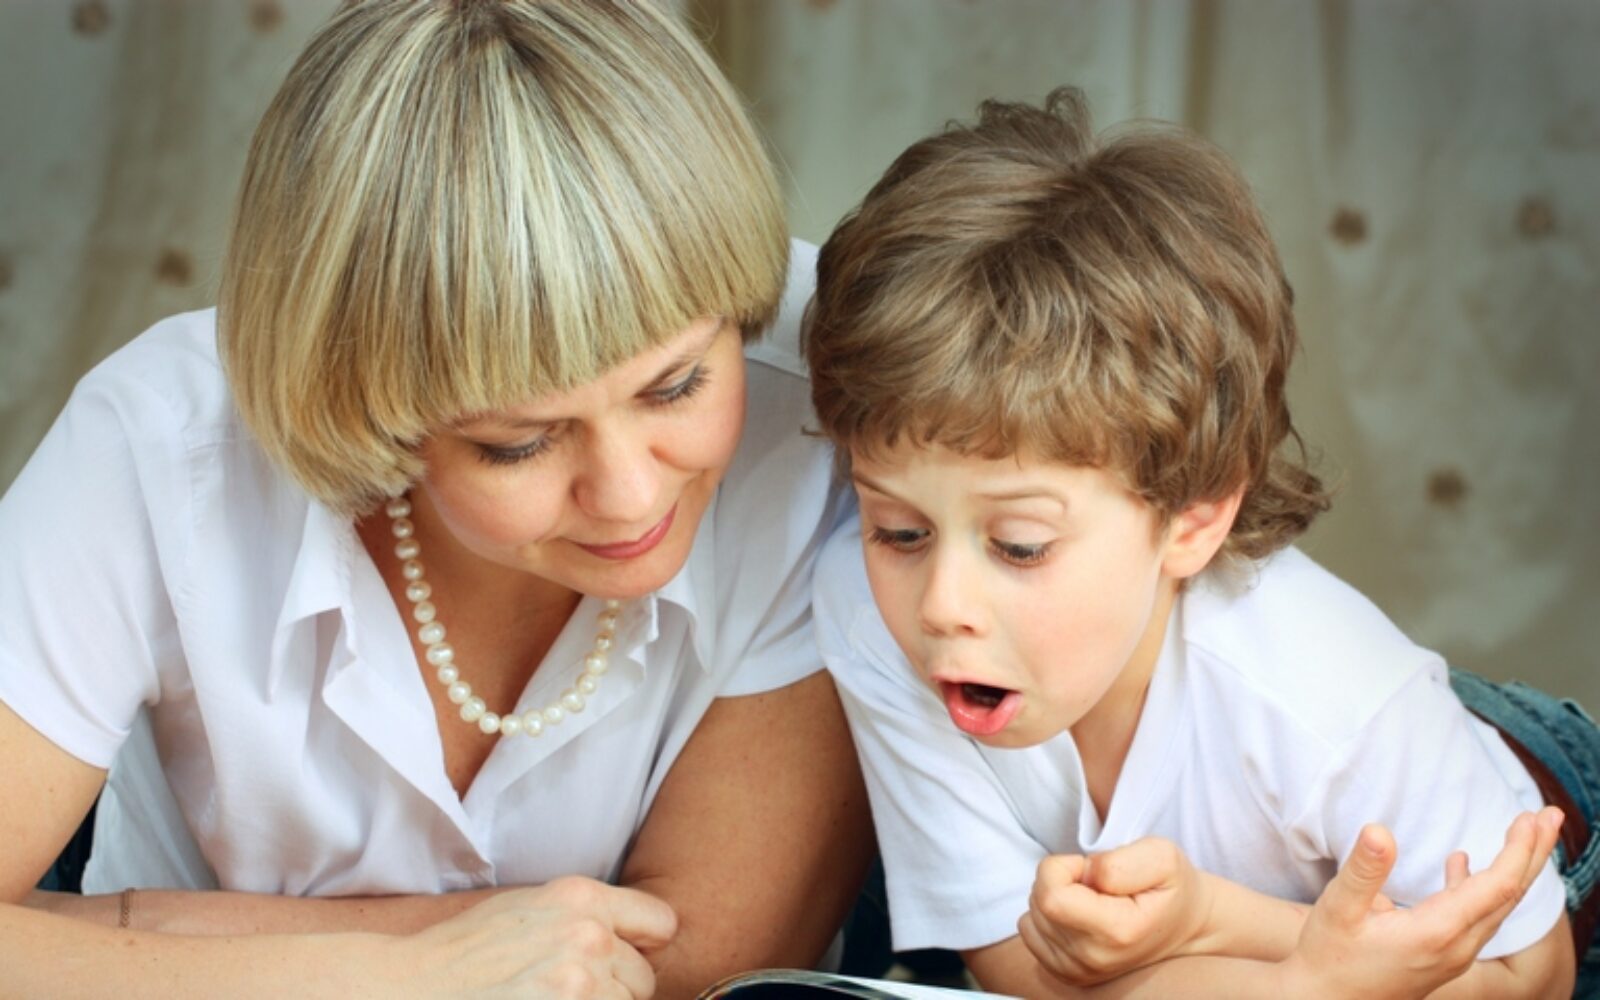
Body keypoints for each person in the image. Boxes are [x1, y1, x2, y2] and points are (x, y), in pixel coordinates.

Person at [0, 1, 872, 996]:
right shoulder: (162, 444)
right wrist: (401, 972)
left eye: (675, 388)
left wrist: (131, 931)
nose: (632, 494)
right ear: (360, 405)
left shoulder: (825, 397)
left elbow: (703, 968)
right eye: (518, 444)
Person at [803, 87, 1600, 997]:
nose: (942, 605)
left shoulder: (1330, 697)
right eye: (900, 530)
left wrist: (1256, 949)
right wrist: (1294, 978)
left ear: (1192, 516)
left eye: (1019, 546)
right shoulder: (870, 610)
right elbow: (1023, 967)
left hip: (1549, 843)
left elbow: (1533, 973)